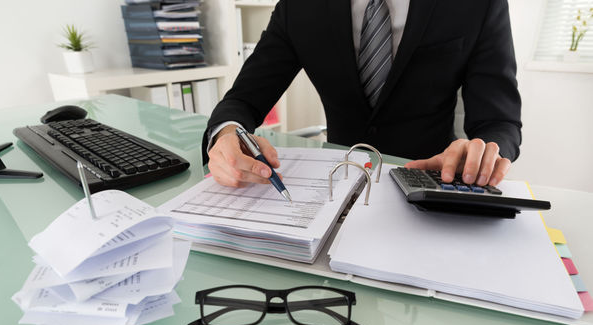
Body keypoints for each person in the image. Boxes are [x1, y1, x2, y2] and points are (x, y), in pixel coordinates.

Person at [202, 0, 521, 189]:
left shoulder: (479, 5)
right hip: (335, 187)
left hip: (432, 185)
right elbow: (243, 100)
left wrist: (481, 152)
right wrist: (227, 134)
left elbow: (499, 122)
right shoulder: (298, 6)